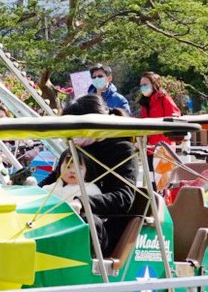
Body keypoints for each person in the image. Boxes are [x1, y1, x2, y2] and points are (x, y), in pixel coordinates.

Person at [47, 93, 146, 256]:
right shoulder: (75, 149)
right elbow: (53, 179)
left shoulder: (122, 150)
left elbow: (124, 197)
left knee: (83, 222)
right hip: (66, 215)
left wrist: (81, 203)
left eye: (74, 127)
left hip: (105, 226)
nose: (70, 133)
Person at [134, 71, 182, 152]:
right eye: (141, 85)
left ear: (154, 85)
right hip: (149, 149)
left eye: (145, 85)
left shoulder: (164, 99)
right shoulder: (144, 104)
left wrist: (162, 142)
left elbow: (175, 118)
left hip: (164, 148)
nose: (143, 87)